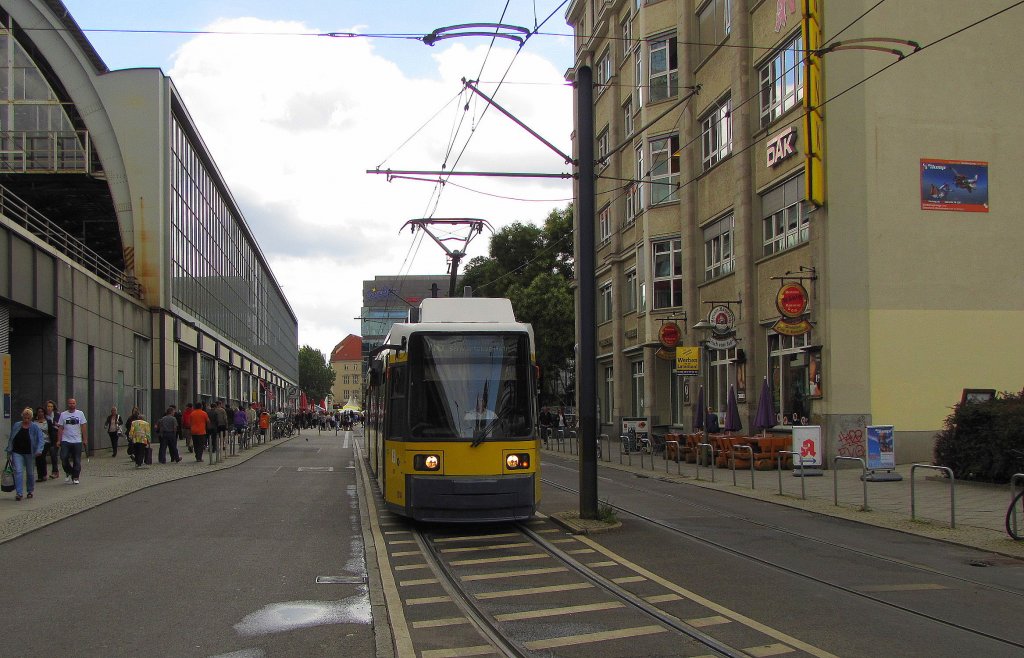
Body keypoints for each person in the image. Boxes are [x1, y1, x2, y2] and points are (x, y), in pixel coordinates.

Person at [7, 407, 46, 500]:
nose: (26, 420)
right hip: (17, 452)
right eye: (25, 417)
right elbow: (11, 438)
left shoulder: (34, 427)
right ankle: (19, 493)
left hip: (30, 453)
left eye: (28, 418)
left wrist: (39, 450)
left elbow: (41, 439)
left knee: (30, 473)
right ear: (22, 416)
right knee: (18, 471)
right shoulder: (17, 425)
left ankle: (30, 490)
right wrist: (9, 450)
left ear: (31, 418)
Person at [56, 397, 88, 484]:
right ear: (68, 404)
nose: (72, 405)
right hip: (66, 440)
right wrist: (59, 440)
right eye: (70, 403)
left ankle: (76, 476)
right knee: (64, 457)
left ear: (75, 404)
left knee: (77, 459)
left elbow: (84, 426)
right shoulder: (63, 414)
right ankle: (69, 471)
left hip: (77, 440)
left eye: (73, 403)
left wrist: (85, 439)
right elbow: (60, 428)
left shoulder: (80, 414)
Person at [33, 407, 52, 483]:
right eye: (39, 412)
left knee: (42, 456)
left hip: (46, 441)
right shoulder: (34, 422)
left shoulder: (48, 422)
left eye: (42, 412)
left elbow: (51, 432)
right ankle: (40, 475)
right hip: (36, 442)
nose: (40, 413)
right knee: (38, 458)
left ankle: (44, 474)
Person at [44, 400, 60, 479]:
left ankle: (55, 471)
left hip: (55, 437)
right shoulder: (44, 416)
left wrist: (56, 425)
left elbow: (61, 426)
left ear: (53, 407)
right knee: (42, 455)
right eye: (48, 406)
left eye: (51, 406)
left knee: (53, 454)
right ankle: (43, 473)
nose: (49, 408)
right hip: (45, 437)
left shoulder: (57, 415)